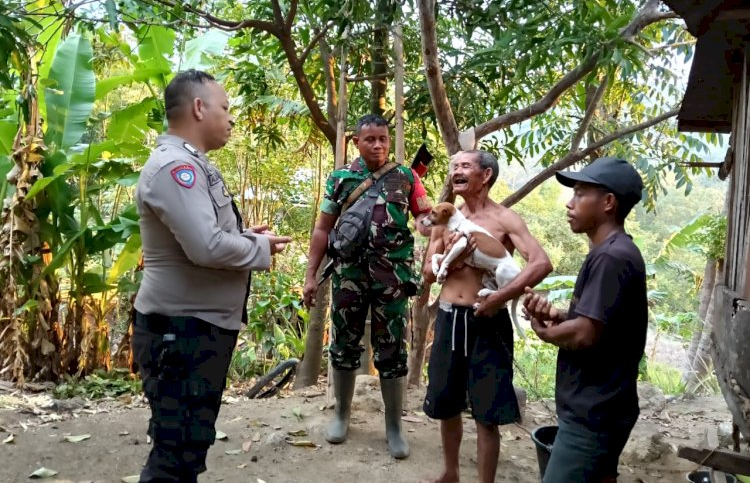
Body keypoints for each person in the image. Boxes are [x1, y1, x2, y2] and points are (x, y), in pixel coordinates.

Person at [132, 70, 291, 482]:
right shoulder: (175, 168)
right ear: (199, 108)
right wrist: (258, 248)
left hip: (195, 328)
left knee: (187, 446)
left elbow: (207, 236)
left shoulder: (191, 163)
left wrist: (243, 236)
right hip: (182, 332)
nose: (230, 118)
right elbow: (204, 247)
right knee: (175, 454)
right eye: (225, 108)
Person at [302, 114, 432, 459]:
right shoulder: (341, 178)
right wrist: (310, 275)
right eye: (370, 139)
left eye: (383, 139)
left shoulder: (406, 177)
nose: (378, 145)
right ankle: (342, 415)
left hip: (393, 278)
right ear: (357, 142)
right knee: (344, 344)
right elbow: (321, 229)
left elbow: (424, 217)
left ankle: (394, 427)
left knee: (392, 350)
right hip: (349, 276)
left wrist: (431, 224)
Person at [422, 150, 553, 483]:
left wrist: (501, 297)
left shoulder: (505, 219)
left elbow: (540, 262)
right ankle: (450, 472)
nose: (456, 172)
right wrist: (441, 257)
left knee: (487, 411)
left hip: (489, 321)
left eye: (465, 166)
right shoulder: (445, 217)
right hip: (451, 318)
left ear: (486, 175)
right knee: (447, 404)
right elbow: (426, 272)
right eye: (453, 167)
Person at [523, 157, 647, 483]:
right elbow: (601, 323)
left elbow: (585, 334)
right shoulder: (611, 252)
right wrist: (559, 317)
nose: (570, 202)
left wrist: (545, 332)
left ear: (608, 203)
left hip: (594, 414)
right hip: (603, 409)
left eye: (580, 193)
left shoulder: (611, 257)